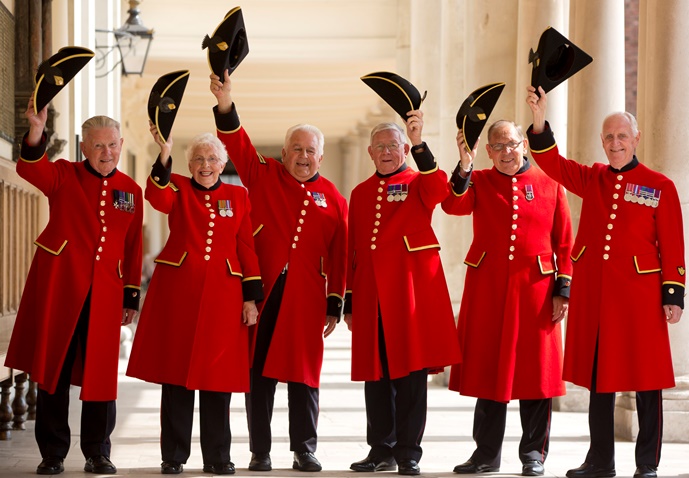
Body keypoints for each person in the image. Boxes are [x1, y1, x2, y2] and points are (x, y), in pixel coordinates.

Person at [526, 86, 685, 478]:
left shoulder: (659, 185)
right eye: (609, 137)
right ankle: (600, 461)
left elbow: (673, 245)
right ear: (602, 141)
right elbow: (551, 162)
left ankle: (647, 463)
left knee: (647, 385)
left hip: (641, 299)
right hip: (598, 300)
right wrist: (538, 119)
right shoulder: (592, 178)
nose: (616, 144)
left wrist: (673, 293)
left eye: (622, 137)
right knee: (600, 383)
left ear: (636, 139)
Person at [209, 70, 348, 472]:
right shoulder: (263, 173)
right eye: (296, 149)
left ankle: (304, 449)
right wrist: (225, 101)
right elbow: (236, 141)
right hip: (263, 291)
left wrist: (334, 303)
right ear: (284, 153)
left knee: (305, 378)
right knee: (259, 377)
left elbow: (339, 255)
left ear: (320, 156)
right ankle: (260, 451)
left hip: (306, 298)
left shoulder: (335, 200)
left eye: (310, 151)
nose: (303, 157)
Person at [5, 97, 143, 476]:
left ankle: (98, 452)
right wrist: (36, 132)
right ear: (84, 147)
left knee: (101, 376)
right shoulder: (64, 174)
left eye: (112, 144)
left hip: (106, 293)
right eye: (98, 145)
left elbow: (133, 247)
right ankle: (53, 453)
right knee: (55, 373)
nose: (107, 151)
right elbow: (31, 170)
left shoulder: (131, 190)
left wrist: (131, 293)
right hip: (60, 289)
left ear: (120, 144)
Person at [126, 127, 263, 475]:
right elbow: (156, 197)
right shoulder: (178, 187)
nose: (206, 165)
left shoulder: (239, 195)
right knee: (176, 378)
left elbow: (246, 248)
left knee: (218, 379)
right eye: (199, 159)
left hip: (225, 298)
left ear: (223, 162)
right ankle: (173, 456)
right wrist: (164, 154)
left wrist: (251, 299)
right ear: (189, 164)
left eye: (212, 159)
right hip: (178, 296)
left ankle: (218, 457)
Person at [441, 121, 573, 476]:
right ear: (488, 152)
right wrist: (464, 165)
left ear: (524, 146)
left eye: (511, 144)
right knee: (490, 373)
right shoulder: (480, 181)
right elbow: (452, 206)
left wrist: (563, 291)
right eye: (497, 147)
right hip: (489, 290)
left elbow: (564, 244)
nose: (505, 152)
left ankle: (534, 454)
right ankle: (485, 454)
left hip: (536, 291)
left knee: (537, 376)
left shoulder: (551, 184)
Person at [344, 113, 462, 476]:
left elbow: (441, 191)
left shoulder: (416, 181)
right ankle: (381, 449)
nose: (385, 152)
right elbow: (354, 250)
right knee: (375, 377)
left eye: (392, 146)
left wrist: (421, 143)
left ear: (404, 150)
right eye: (379, 147)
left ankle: (409, 452)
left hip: (410, 294)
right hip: (372, 295)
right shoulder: (361, 192)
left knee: (411, 377)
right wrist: (348, 299)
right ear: (369, 151)